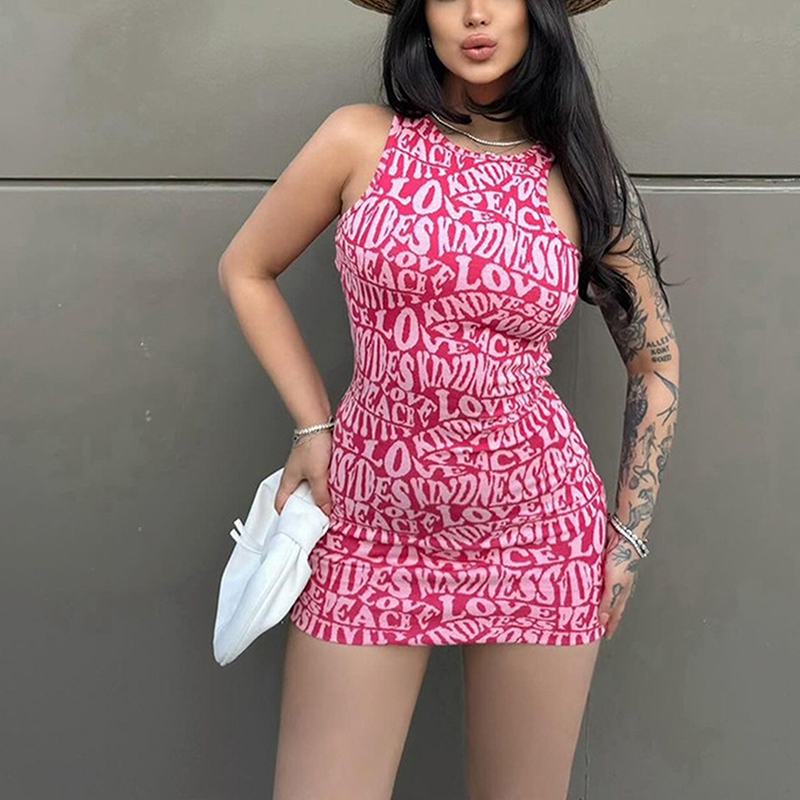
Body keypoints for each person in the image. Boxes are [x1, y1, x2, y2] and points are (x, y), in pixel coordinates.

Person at [217, 0, 680, 797]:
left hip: (537, 531)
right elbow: (246, 268)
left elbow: (656, 360)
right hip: (370, 524)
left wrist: (628, 535)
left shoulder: (583, 176)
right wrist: (312, 424)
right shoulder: (359, 139)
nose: (474, 12)